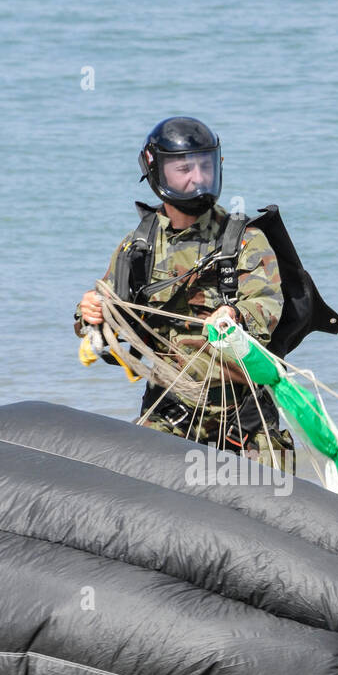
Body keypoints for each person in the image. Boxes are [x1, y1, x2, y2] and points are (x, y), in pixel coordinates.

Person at [75, 116, 295, 470]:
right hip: (170, 408)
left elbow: (267, 306)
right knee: (139, 496)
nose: (197, 178)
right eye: (183, 169)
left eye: (204, 167)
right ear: (157, 173)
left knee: (276, 505)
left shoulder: (243, 239)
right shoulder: (140, 245)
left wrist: (235, 316)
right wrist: (89, 312)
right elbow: (108, 310)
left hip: (243, 410)